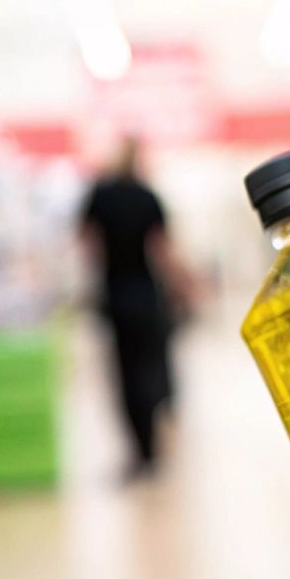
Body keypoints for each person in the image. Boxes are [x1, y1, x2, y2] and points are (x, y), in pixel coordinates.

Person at [78, 139, 193, 478]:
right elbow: (163, 250)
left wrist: (99, 273)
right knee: (153, 366)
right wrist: (186, 286)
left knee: (125, 376)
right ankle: (157, 438)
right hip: (147, 294)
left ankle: (141, 453)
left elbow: (87, 241)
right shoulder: (147, 196)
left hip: (115, 295)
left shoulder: (99, 194)